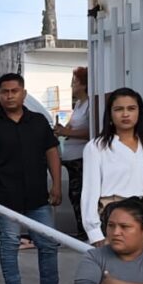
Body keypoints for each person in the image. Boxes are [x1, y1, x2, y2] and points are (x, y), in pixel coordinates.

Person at [0, 72, 73, 284]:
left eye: (14, 91)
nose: (9, 96)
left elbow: (52, 152)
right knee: (9, 245)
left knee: (48, 244)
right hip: (5, 198)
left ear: (23, 93)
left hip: (38, 198)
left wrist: (56, 186)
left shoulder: (38, 121)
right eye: (4, 92)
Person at [80, 87, 143, 247]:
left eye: (131, 109)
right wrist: (94, 232)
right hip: (114, 216)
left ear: (139, 112)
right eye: (118, 109)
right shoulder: (97, 147)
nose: (125, 114)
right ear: (110, 114)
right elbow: (90, 191)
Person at [54, 66, 91, 237]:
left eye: (75, 82)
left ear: (84, 85)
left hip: (80, 158)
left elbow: (91, 131)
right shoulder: (78, 105)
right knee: (73, 194)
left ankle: (84, 231)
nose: (72, 86)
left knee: (79, 194)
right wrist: (62, 129)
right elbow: (71, 127)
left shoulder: (89, 104)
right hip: (70, 157)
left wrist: (67, 132)